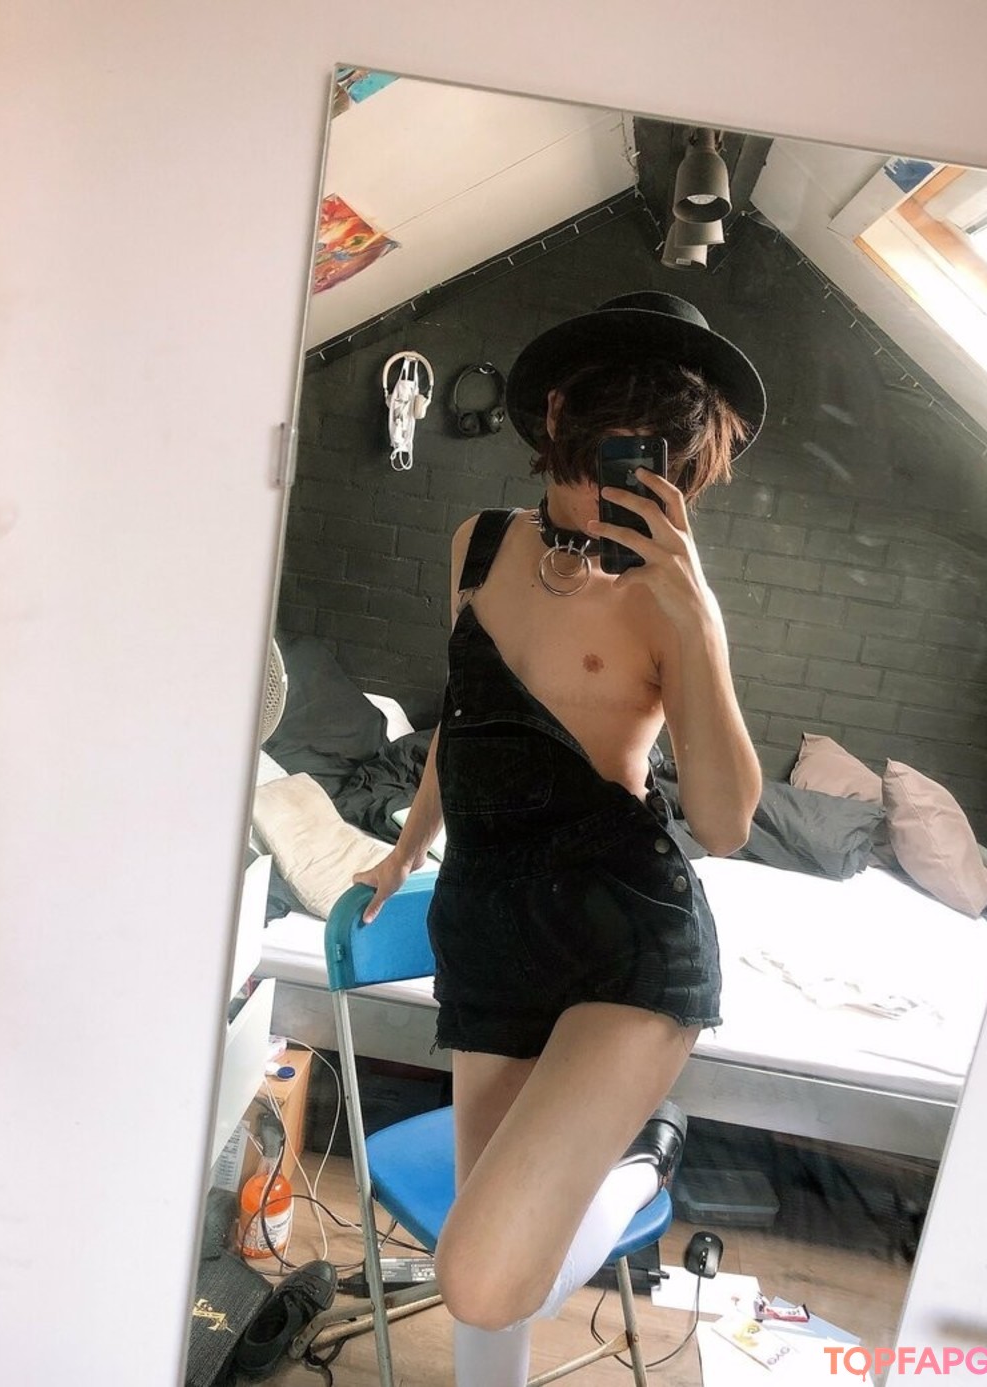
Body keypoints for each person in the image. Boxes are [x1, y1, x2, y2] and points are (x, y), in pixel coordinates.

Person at [353, 291, 766, 1385]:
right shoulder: (478, 544)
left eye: (653, 462)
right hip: (491, 927)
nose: (617, 487)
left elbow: (725, 822)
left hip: (625, 941)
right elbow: (465, 718)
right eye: (603, 453)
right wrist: (407, 847)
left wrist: (700, 621)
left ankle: (643, 1158)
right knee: (494, 1278)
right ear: (554, 421)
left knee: (481, 1274)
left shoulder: (670, 600)